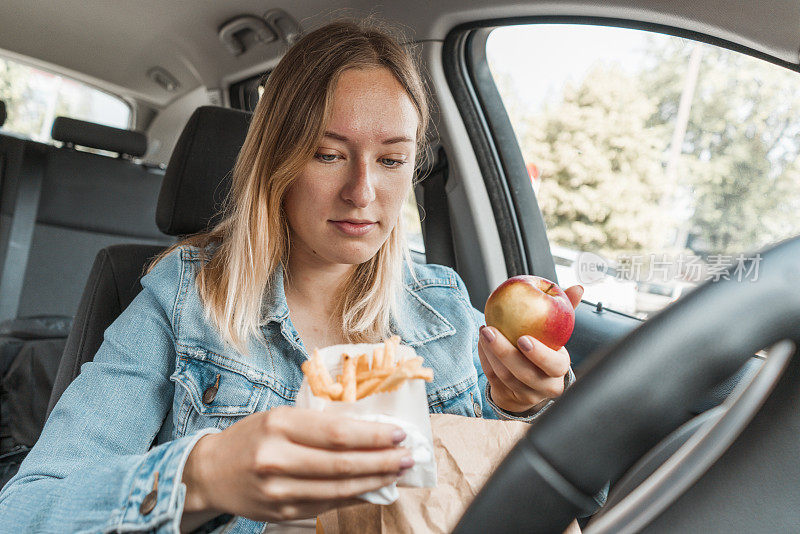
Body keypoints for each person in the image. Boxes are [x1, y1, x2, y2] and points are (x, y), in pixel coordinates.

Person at [0, 20, 582, 533]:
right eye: (328, 154)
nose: (362, 193)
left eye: (391, 160)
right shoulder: (183, 299)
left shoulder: (446, 308)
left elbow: (570, 492)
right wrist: (201, 476)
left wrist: (523, 407)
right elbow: (26, 512)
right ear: (277, 159)